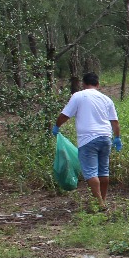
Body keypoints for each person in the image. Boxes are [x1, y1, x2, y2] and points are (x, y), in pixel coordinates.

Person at [52, 72, 121, 208]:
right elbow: (115, 122)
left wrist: (56, 126)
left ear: (83, 84)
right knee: (104, 171)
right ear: (98, 84)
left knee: (90, 172)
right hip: (106, 137)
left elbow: (65, 115)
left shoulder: (78, 96)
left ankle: (99, 202)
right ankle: (103, 200)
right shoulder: (106, 99)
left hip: (87, 139)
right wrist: (117, 137)